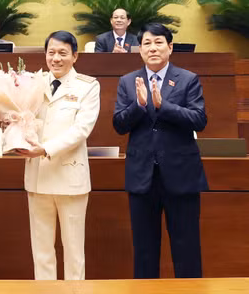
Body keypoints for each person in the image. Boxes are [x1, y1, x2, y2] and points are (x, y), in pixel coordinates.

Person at [113, 23, 208, 278]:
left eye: (158, 42)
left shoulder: (188, 79)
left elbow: (199, 119)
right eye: (147, 43)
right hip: (142, 177)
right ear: (140, 49)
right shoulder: (127, 81)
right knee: (144, 249)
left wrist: (163, 106)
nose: (152, 48)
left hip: (181, 175)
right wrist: (139, 105)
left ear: (170, 47)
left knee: (186, 247)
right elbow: (119, 125)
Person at [15, 31, 100, 280]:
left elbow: (81, 130)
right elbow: (21, 118)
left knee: (74, 252)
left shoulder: (88, 86)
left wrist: (45, 149)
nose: (56, 58)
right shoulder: (33, 82)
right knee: (41, 251)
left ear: (75, 56)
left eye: (63, 53)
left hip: (69, 178)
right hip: (37, 177)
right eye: (51, 52)